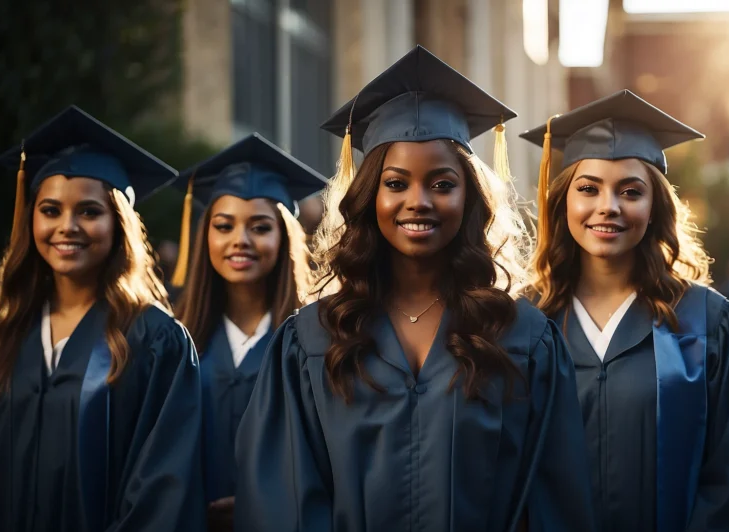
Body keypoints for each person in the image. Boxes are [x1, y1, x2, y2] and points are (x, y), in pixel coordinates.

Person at [234, 45, 593, 532]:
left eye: (442, 184)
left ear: (468, 198)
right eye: (396, 183)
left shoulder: (522, 337)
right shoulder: (313, 339)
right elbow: (284, 502)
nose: (418, 202)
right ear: (369, 196)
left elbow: (555, 500)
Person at [519, 89, 729, 531]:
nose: (609, 206)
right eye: (588, 189)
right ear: (563, 201)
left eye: (630, 191)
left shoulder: (708, 321)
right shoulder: (524, 323)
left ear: (655, 205)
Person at [0, 105, 205, 531]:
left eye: (88, 211)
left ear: (118, 224)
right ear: (30, 221)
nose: (67, 226)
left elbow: (163, 491)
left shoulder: (155, 341)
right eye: (49, 210)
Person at [170, 133, 324, 532]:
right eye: (224, 226)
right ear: (206, 236)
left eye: (259, 227)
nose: (240, 240)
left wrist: (263, 501)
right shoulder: (173, 338)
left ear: (283, 237)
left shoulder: (313, 340)